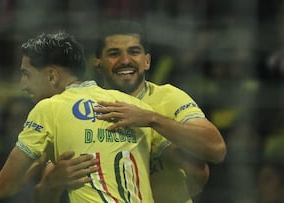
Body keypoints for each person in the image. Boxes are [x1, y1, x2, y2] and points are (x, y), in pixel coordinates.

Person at [35, 20, 226, 203]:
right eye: (114, 53)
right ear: (97, 63)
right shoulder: (79, 109)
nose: (125, 60)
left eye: (134, 52)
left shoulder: (169, 97)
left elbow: (216, 151)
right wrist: (52, 182)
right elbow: (43, 192)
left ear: (147, 61)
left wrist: (151, 119)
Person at [0, 31, 172, 203]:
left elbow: (2, 187)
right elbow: (195, 171)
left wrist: (51, 180)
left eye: (26, 74)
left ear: (52, 76)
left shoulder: (49, 109)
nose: (23, 85)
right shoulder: (137, 107)